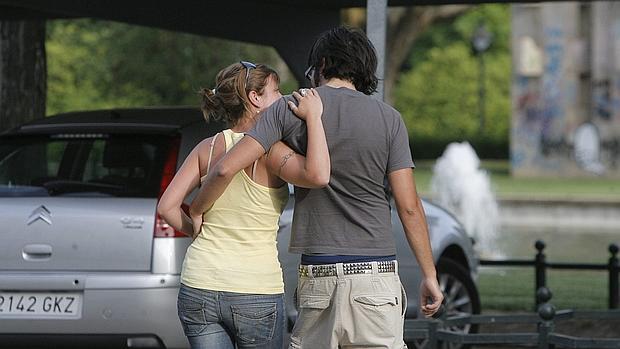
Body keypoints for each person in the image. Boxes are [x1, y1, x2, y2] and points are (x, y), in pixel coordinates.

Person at [190, 27, 443, 349]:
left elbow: (226, 166)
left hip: (319, 273)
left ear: (321, 65)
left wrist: (197, 208)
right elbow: (409, 206)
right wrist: (429, 275)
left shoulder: (289, 108)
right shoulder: (389, 119)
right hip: (375, 275)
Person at [157, 61, 329, 349]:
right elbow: (317, 175)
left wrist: (196, 230)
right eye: (276, 91)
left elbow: (166, 207)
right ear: (255, 98)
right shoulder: (271, 152)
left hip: (199, 283)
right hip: (254, 289)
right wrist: (314, 118)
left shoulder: (207, 148)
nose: (282, 97)